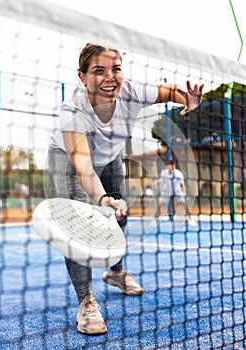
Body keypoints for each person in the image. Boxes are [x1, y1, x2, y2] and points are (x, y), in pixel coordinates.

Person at [48, 43, 204, 335]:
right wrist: (101, 198)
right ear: (82, 77)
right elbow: (83, 166)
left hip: (110, 155)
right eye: (99, 71)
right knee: (76, 223)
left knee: (120, 214)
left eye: (115, 69)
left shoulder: (132, 91)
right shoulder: (72, 111)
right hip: (70, 159)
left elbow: (168, 91)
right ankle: (86, 301)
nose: (110, 78)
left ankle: (116, 272)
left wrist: (187, 97)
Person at [154, 160, 196, 225]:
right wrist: (159, 192)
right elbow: (161, 183)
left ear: (173, 166)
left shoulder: (178, 173)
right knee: (159, 203)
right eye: (167, 165)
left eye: (170, 165)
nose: (168, 167)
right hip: (166, 191)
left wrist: (185, 194)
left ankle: (190, 218)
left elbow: (182, 184)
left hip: (177, 191)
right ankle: (155, 219)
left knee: (185, 203)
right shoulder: (164, 173)